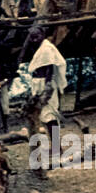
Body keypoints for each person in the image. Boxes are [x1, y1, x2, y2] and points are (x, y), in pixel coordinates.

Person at [26, 29, 67, 169]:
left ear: (42, 35)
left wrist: (47, 87)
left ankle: (57, 149)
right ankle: (55, 147)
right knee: (43, 118)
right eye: (32, 37)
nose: (34, 39)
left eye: (36, 36)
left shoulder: (47, 48)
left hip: (46, 84)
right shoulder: (39, 48)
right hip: (38, 83)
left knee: (50, 117)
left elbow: (49, 68)